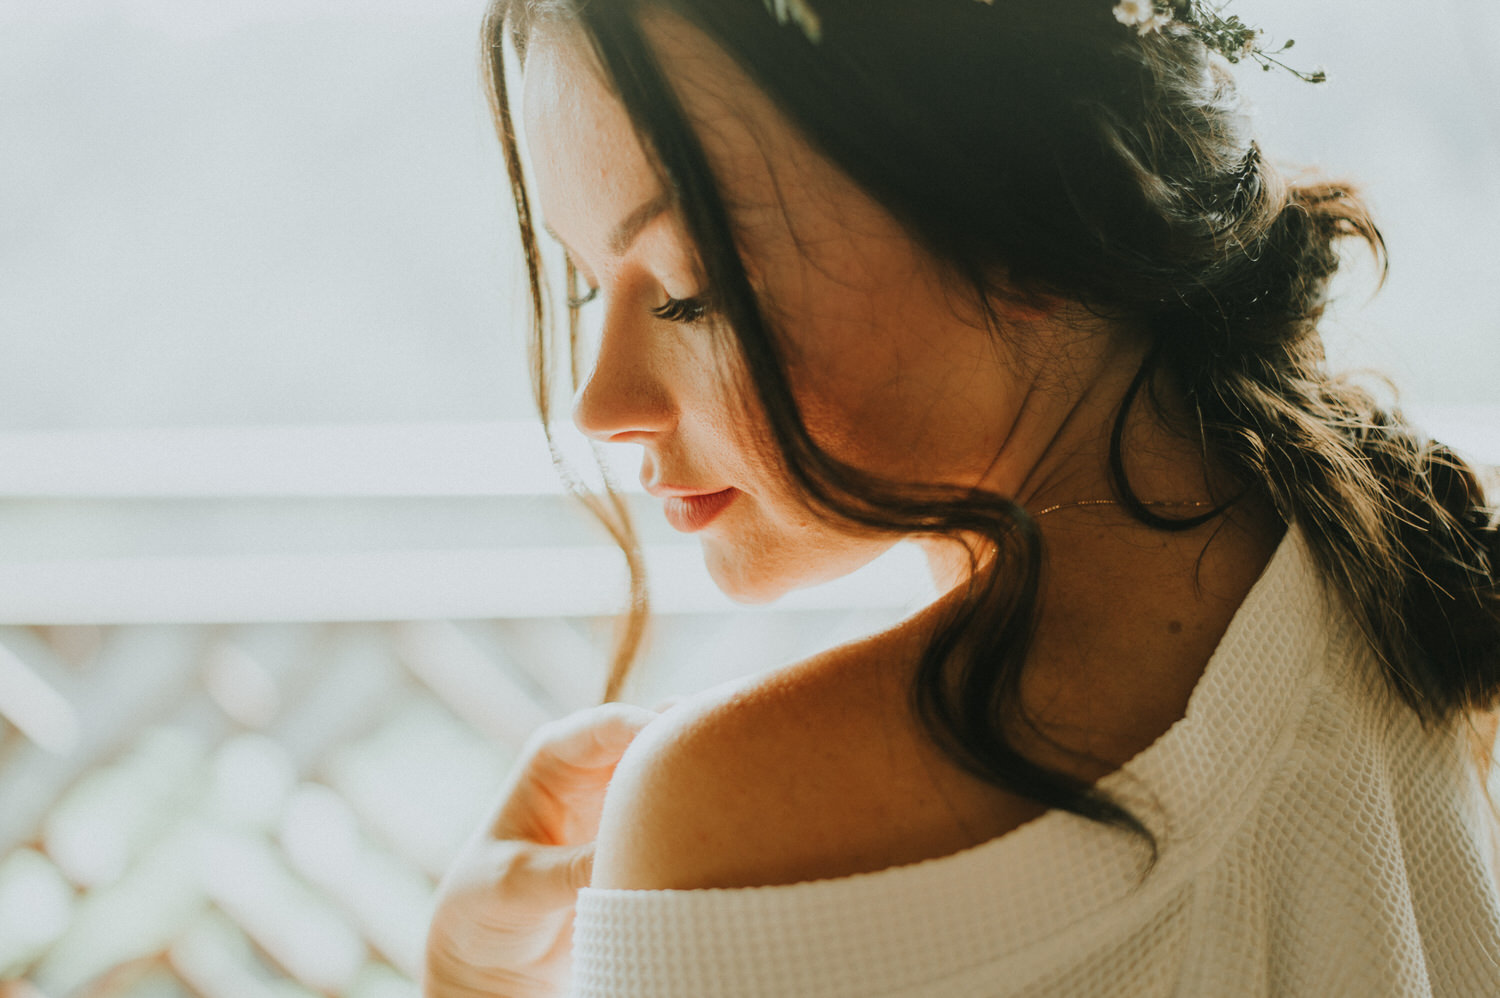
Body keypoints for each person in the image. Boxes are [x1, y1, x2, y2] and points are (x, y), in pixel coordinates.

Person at [426, 1, 1500, 995]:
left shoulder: (729, 821)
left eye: (689, 287)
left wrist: (466, 974)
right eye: (583, 284)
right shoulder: (1391, 555)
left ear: (1023, 210)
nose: (599, 404)